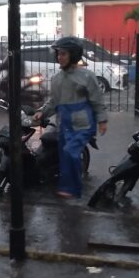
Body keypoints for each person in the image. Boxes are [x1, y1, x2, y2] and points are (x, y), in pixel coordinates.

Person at [34, 37, 107, 199]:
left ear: (73, 55)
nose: (60, 57)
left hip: (83, 124)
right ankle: (67, 187)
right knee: (63, 156)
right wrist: (42, 112)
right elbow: (53, 101)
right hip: (63, 124)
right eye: (58, 54)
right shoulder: (57, 79)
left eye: (64, 54)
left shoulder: (86, 76)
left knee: (70, 152)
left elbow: (97, 100)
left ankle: (74, 187)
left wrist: (102, 120)